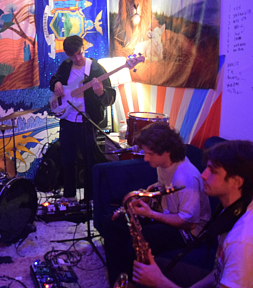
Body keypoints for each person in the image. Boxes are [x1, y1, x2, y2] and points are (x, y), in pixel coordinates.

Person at [133, 139, 253, 288]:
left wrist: (159, 282)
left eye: (213, 171)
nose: (203, 175)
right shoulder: (231, 209)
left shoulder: (242, 240)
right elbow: (218, 273)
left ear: (236, 181)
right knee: (155, 266)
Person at [103, 122, 211, 286]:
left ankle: (133, 281)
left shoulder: (186, 177)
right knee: (111, 223)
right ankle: (118, 279)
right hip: (168, 215)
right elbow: (163, 188)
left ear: (167, 152)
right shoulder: (164, 164)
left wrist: (150, 214)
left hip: (189, 234)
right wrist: (147, 196)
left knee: (141, 239)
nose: (146, 158)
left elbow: (189, 222)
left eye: (150, 154)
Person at [49, 35, 116, 202]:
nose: (77, 58)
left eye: (79, 53)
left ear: (83, 48)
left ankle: (90, 198)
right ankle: (69, 195)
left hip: (88, 121)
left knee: (89, 161)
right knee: (67, 159)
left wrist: (100, 93)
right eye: (73, 56)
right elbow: (55, 80)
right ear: (67, 55)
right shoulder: (65, 66)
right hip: (67, 120)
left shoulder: (96, 69)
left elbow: (111, 97)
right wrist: (56, 83)